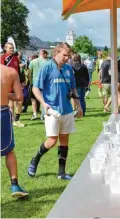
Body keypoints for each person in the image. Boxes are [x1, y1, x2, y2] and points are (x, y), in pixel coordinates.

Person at [27, 42, 83, 180]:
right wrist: (43, 104)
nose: (66, 58)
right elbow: (35, 88)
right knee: (52, 141)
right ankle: (35, 159)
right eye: (64, 55)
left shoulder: (69, 68)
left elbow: (73, 89)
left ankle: (61, 172)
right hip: (51, 111)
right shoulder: (47, 67)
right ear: (56, 53)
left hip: (67, 110)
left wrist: (79, 105)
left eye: (68, 55)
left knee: (64, 140)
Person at [1, 64, 29, 198]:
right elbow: (19, 97)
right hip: (2, 112)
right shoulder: (10, 71)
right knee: (9, 150)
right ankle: (14, 185)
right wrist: (6, 94)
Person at [1, 42, 25, 128]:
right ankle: (11, 120)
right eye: (10, 48)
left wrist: (22, 80)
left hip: (16, 82)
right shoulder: (3, 58)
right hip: (7, 82)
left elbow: (18, 70)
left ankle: (17, 118)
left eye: (12, 48)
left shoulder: (15, 58)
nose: (11, 49)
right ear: (5, 48)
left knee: (20, 99)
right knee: (10, 102)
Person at [28, 50, 48, 120]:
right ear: (44, 54)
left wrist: (30, 82)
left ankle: (35, 114)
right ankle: (43, 114)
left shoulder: (33, 61)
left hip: (34, 82)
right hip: (43, 83)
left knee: (33, 99)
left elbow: (29, 73)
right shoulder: (47, 62)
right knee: (43, 99)